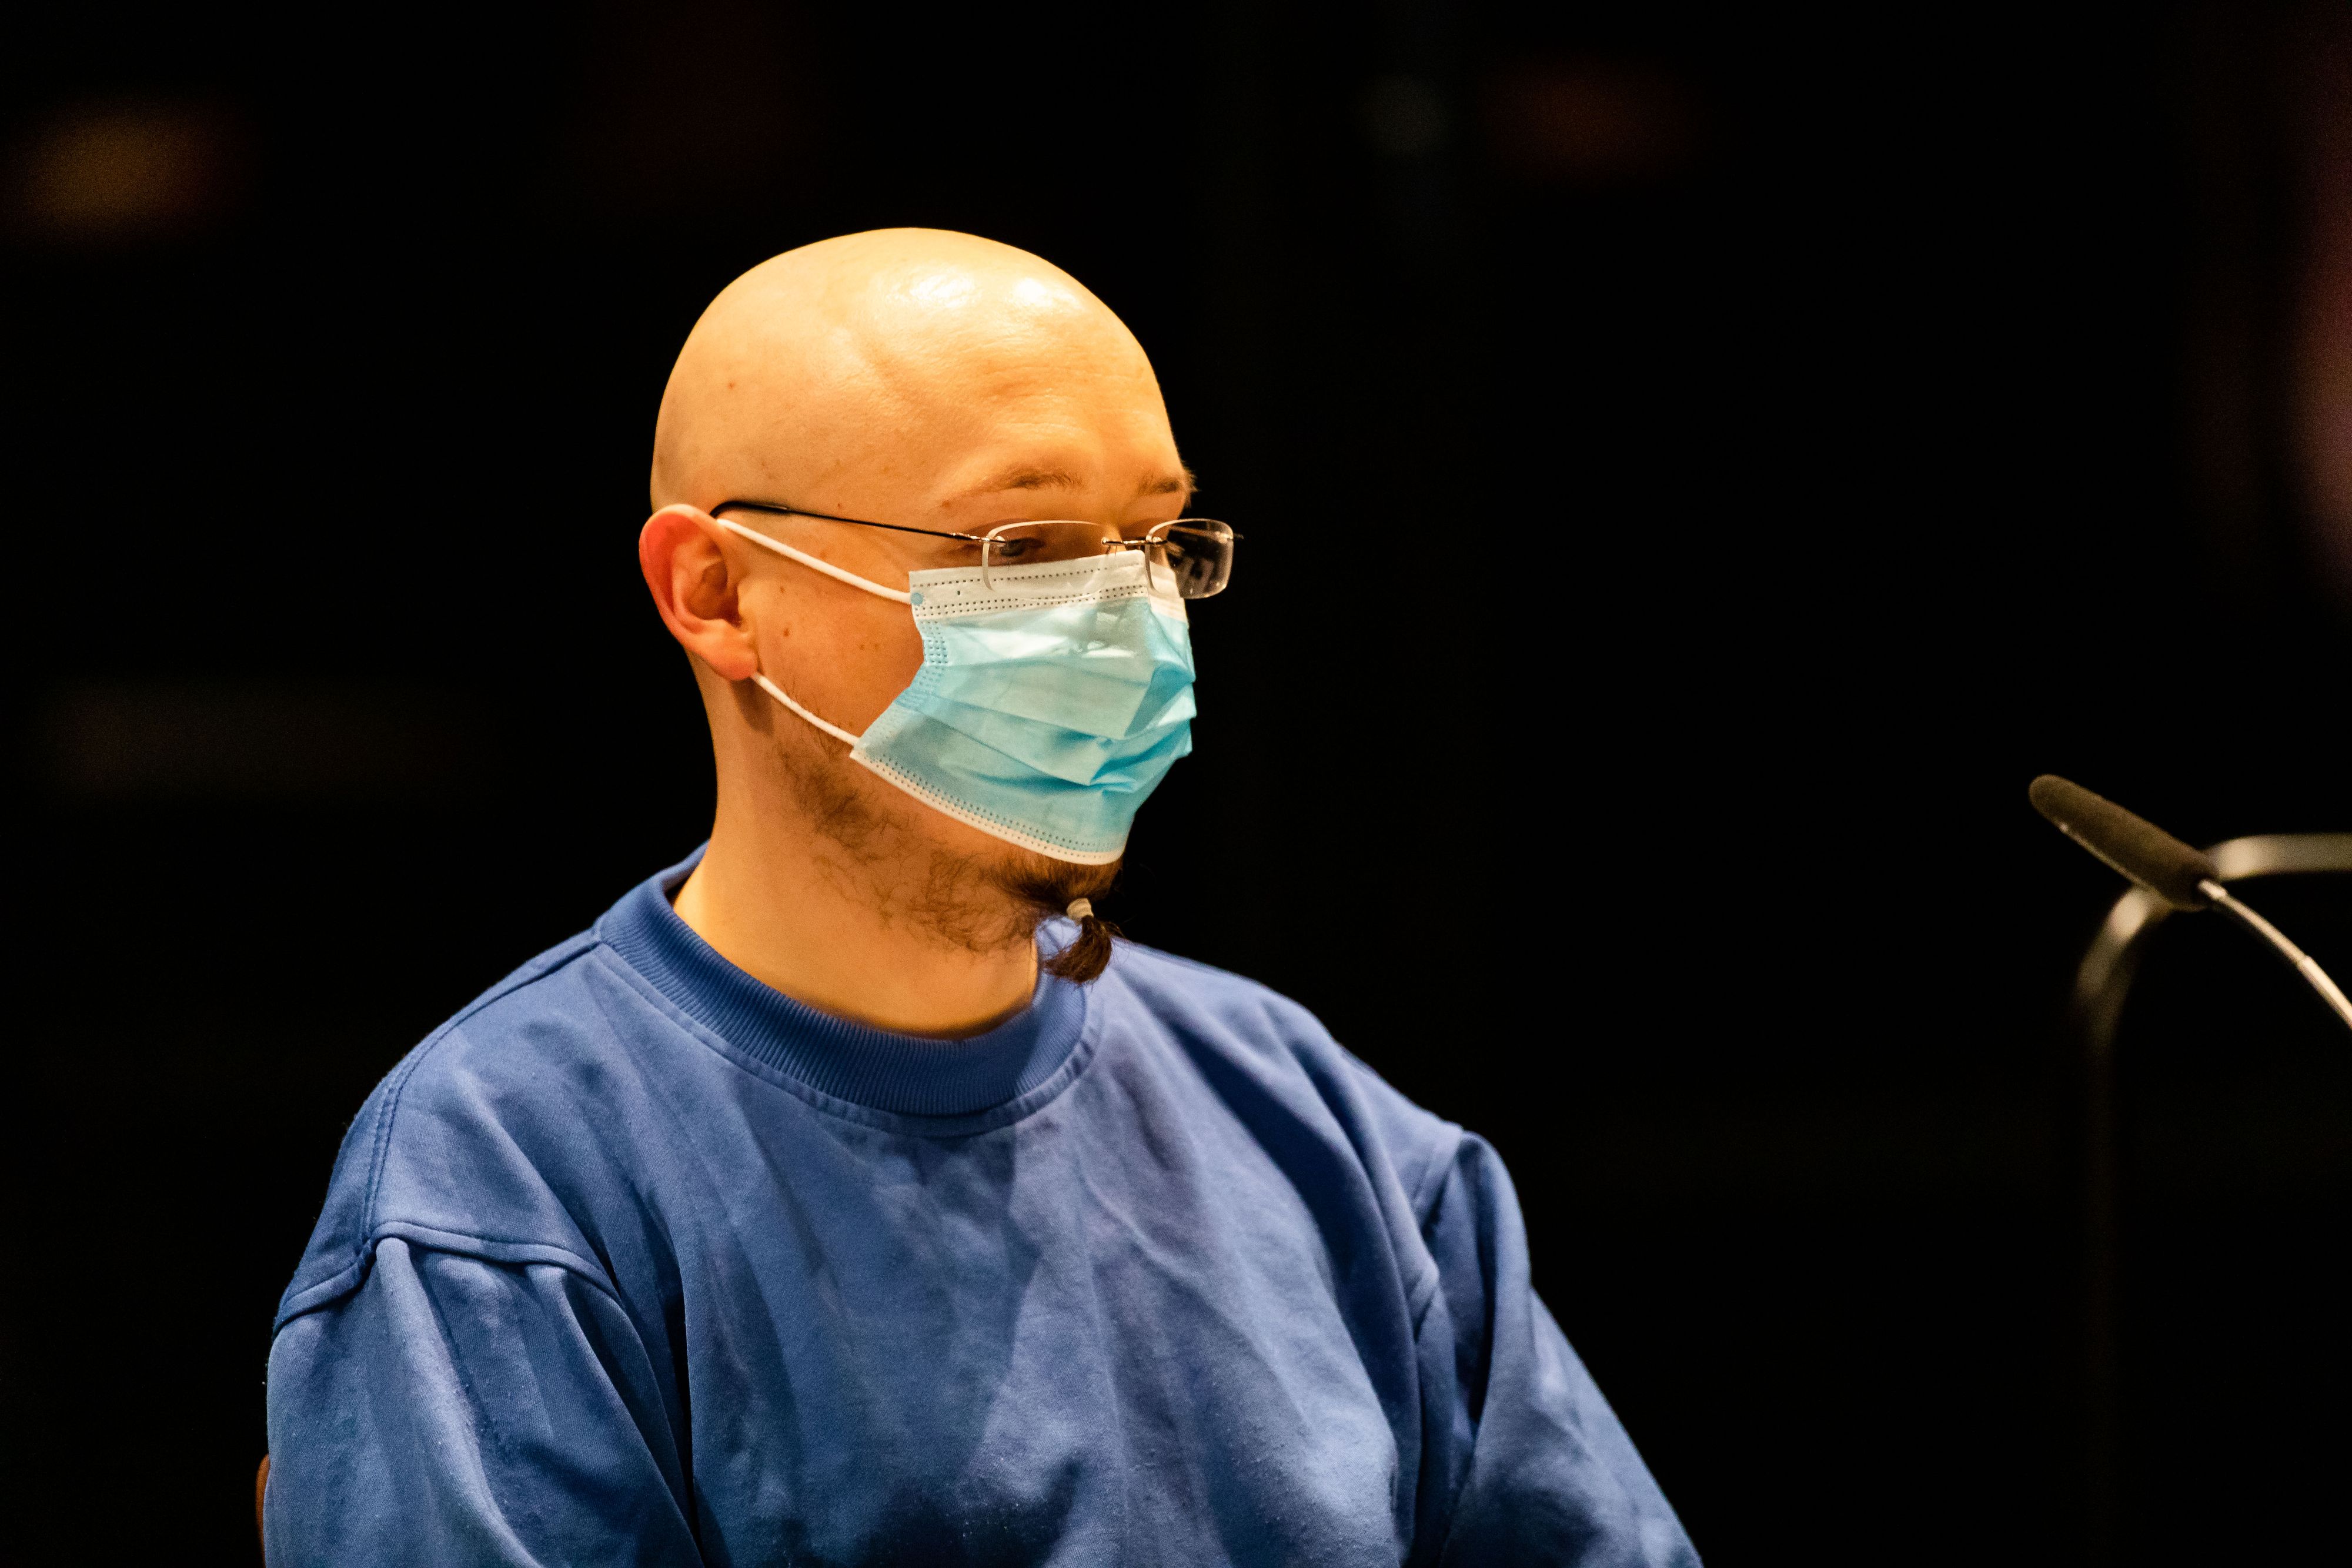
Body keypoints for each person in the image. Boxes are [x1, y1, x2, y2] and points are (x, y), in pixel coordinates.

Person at [262, 229, 1699, 1566]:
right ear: (717, 591)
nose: (1130, 624)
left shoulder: (1320, 1129)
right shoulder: (506, 1190)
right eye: (1029, 551)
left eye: (1159, 543)